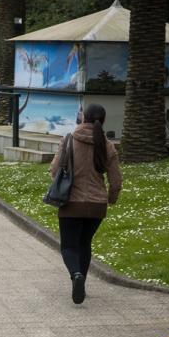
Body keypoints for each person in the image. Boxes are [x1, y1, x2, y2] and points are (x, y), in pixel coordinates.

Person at [50, 103, 122, 304]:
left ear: (83, 118)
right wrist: (111, 199)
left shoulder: (69, 140)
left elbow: (55, 170)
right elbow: (116, 181)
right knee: (85, 243)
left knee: (69, 246)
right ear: (103, 120)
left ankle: (76, 276)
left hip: (71, 202)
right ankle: (82, 280)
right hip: (97, 206)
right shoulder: (107, 145)